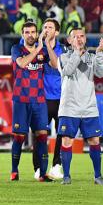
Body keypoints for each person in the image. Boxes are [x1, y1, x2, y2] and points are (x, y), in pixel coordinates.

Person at [9, 21, 58, 182]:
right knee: (19, 137)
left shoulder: (43, 50)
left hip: (38, 100)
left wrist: (47, 46)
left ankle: (43, 173)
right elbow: (22, 63)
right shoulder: (16, 49)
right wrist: (38, 49)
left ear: (37, 34)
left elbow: (55, 64)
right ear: (22, 34)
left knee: (42, 136)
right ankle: (14, 171)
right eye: (27, 32)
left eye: (33, 32)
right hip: (21, 100)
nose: (30, 35)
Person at [58, 30, 103, 185]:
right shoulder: (63, 57)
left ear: (85, 39)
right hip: (69, 108)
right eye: (75, 37)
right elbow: (68, 71)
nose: (79, 39)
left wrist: (99, 53)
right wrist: (77, 54)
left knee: (94, 140)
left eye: (81, 36)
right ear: (69, 40)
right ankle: (66, 176)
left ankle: (97, 176)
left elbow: (102, 73)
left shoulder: (92, 58)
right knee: (66, 141)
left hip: (89, 108)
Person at [32, 19, 66, 180]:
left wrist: (45, 45)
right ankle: (38, 167)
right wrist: (39, 45)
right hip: (41, 98)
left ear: (57, 32)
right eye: (44, 27)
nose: (46, 29)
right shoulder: (35, 47)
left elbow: (55, 64)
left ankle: (56, 165)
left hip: (60, 98)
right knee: (39, 135)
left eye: (50, 27)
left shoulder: (63, 49)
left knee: (61, 134)